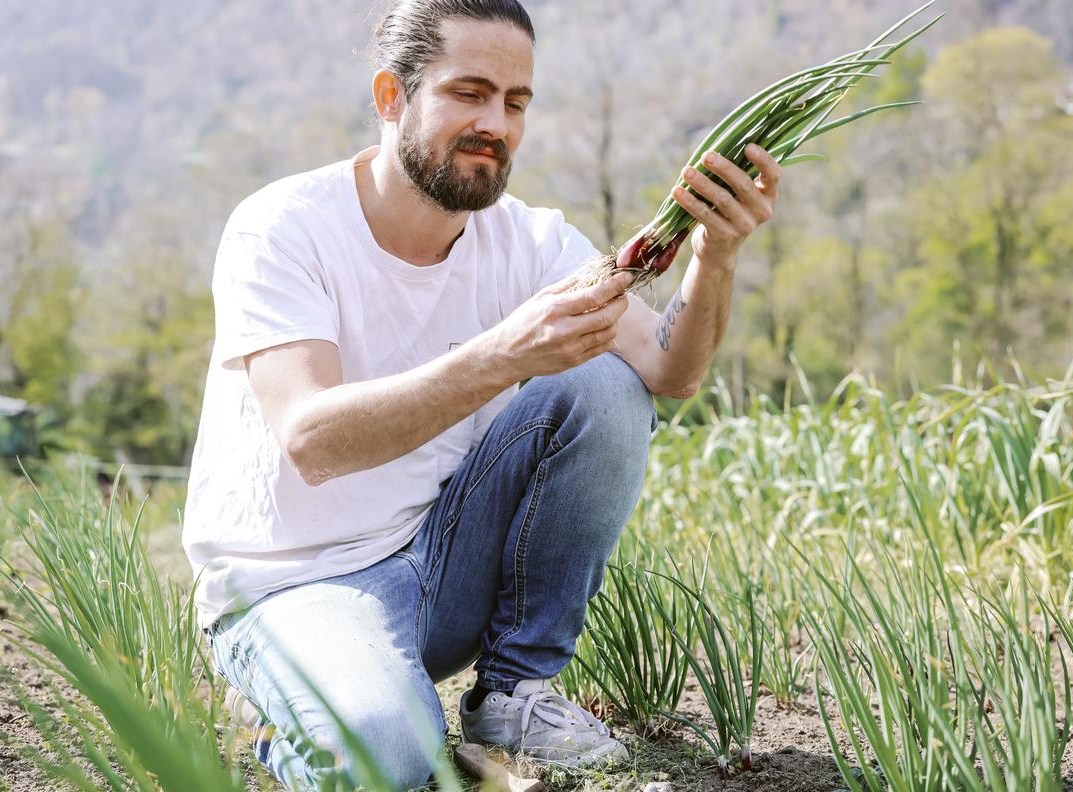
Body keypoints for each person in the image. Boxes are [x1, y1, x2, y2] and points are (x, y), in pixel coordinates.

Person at [181, 0, 780, 787]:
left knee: (603, 382)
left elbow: (670, 371)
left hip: (439, 561)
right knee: (385, 753)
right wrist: (504, 354)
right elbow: (311, 438)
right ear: (392, 97)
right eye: (469, 93)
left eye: (515, 101)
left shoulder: (530, 241)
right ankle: (288, 703)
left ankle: (513, 693)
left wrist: (716, 256)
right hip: (299, 585)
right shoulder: (283, 228)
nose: (495, 122)